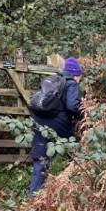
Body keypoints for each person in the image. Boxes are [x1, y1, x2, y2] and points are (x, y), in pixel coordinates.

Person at [31, 57, 84, 195]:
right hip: (58, 123)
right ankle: (76, 189)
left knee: (41, 160)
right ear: (76, 74)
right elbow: (72, 106)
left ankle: (34, 197)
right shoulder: (71, 83)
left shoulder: (53, 81)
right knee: (76, 152)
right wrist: (84, 116)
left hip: (38, 122)